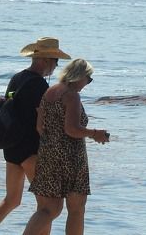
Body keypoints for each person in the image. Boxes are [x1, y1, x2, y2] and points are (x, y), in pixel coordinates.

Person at [0, 36, 71, 235]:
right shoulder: (39, 85)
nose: (55, 67)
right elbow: (45, 122)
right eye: (55, 61)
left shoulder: (17, 78)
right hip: (30, 151)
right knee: (49, 207)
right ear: (45, 60)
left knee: (11, 200)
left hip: (11, 149)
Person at [22, 58, 110, 235]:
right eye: (89, 78)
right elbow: (72, 129)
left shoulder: (50, 92)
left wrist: (53, 143)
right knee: (76, 209)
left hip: (48, 155)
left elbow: (40, 127)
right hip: (71, 158)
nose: (88, 83)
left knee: (48, 209)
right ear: (79, 76)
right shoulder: (71, 95)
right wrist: (95, 133)